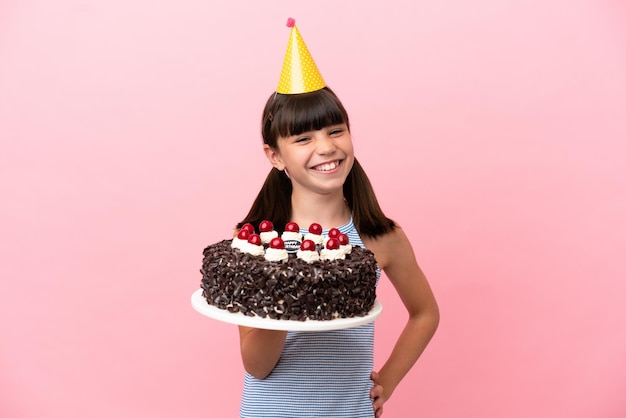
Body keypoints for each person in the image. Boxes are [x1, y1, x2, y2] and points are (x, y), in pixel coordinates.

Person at [235, 19, 439, 418]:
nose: (326, 148)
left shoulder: (381, 237)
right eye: (303, 138)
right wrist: (286, 280)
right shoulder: (256, 242)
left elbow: (426, 313)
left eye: (336, 130)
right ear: (274, 156)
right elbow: (256, 366)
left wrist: (389, 381)